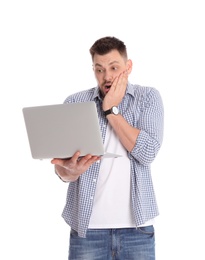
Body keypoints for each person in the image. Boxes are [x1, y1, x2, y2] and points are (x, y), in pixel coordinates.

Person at [51, 36, 164, 260]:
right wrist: (68, 172)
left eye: (114, 67)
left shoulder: (148, 98)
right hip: (87, 231)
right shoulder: (74, 103)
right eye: (99, 69)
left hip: (137, 230)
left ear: (128, 66)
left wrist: (111, 110)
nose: (107, 76)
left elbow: (148, 153)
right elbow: (62, 170)